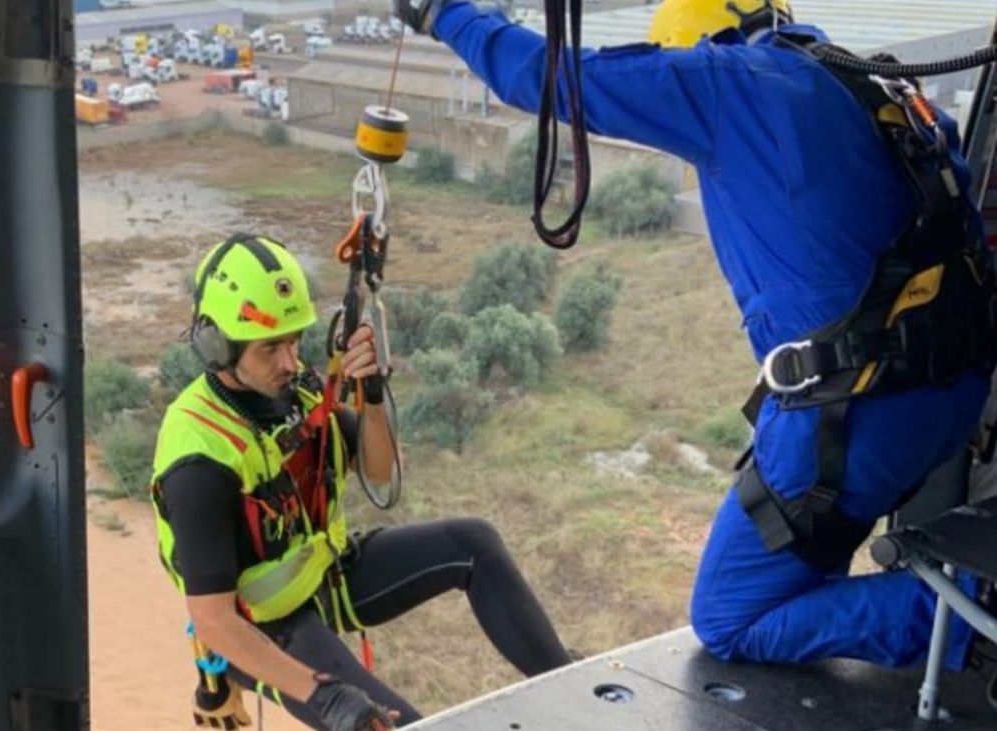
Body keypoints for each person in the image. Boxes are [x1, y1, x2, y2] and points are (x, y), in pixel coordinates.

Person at [393, 0, 997, 673]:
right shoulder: (886, 90)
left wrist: (442, 14)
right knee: (796, 555)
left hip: (855, 421)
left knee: (730, 617)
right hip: (953, 397)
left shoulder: (727, 83)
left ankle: (966, 612)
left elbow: (544, 75)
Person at [150, 233, 574, 731]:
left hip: (327, 574)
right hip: (262, 627)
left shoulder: (294, 388)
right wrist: (327, 698)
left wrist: (371, 396)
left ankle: (572, 688)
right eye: (271, 347)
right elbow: (213, 621)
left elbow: (380, 472)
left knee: (473, 543)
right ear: (217, 345)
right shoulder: (199, 461)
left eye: (294, 340)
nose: (289, 360)